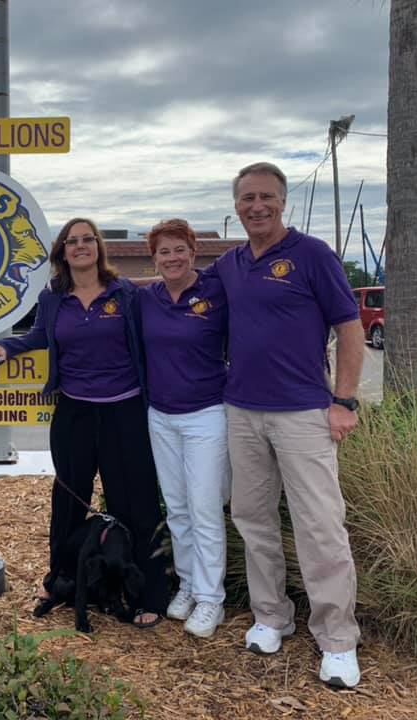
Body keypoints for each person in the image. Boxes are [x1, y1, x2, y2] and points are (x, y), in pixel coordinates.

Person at [207, 162, 365, 688]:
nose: (257, 206)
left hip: (303, 413)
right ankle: (272, 616)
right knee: (253, 519)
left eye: (266, 197)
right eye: (247, 198)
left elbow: (349, 329)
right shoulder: (230, 265)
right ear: (236, 206)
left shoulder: (312, 255)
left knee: (319, 524)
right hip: (242, 410)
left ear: (283, 202)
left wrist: (344, 401)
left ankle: (338, 639)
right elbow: (176, 285)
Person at [0, 217, 167, 628]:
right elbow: (38, 337)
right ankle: (61, 581)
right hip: (74, 413)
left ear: (99, 247)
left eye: (88, 239)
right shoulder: (54, 298)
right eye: (72, 241)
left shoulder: (126, 294)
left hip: (125, 411)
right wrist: (5, 346)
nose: (81, 246)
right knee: (68, 501)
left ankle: (146, 593)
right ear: (62, 251)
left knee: (133, 503)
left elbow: (154, 335)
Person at [139, 218, 230, 638]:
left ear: (193, 252)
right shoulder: (148, 298)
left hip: (206, 415)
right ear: (154, 258)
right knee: (176, 508)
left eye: (179, 249)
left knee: (205, 508)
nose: (172, 258)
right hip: (161, 415)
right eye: (163, 251)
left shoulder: (216, 291)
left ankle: (212, 598)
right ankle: (190, 585)